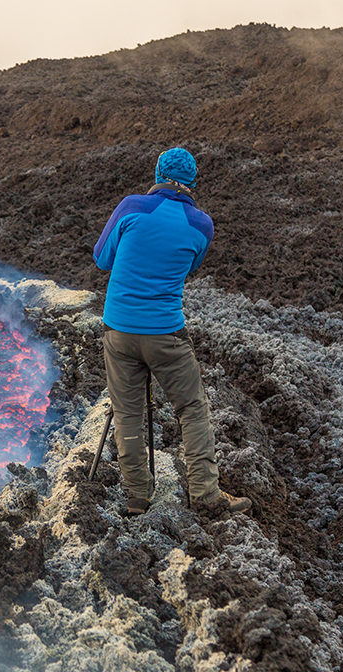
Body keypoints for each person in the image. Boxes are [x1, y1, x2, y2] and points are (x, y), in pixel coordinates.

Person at [92, 147, 252, 517]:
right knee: (192, 409)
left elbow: (102, 259)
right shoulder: (201, 224)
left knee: (127, 413)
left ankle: (137, 497)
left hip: (119, 330)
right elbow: (190, 264)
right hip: (166, 334)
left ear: (158, 173)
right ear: (193, 182)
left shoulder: (131, 207)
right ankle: (206, 495)